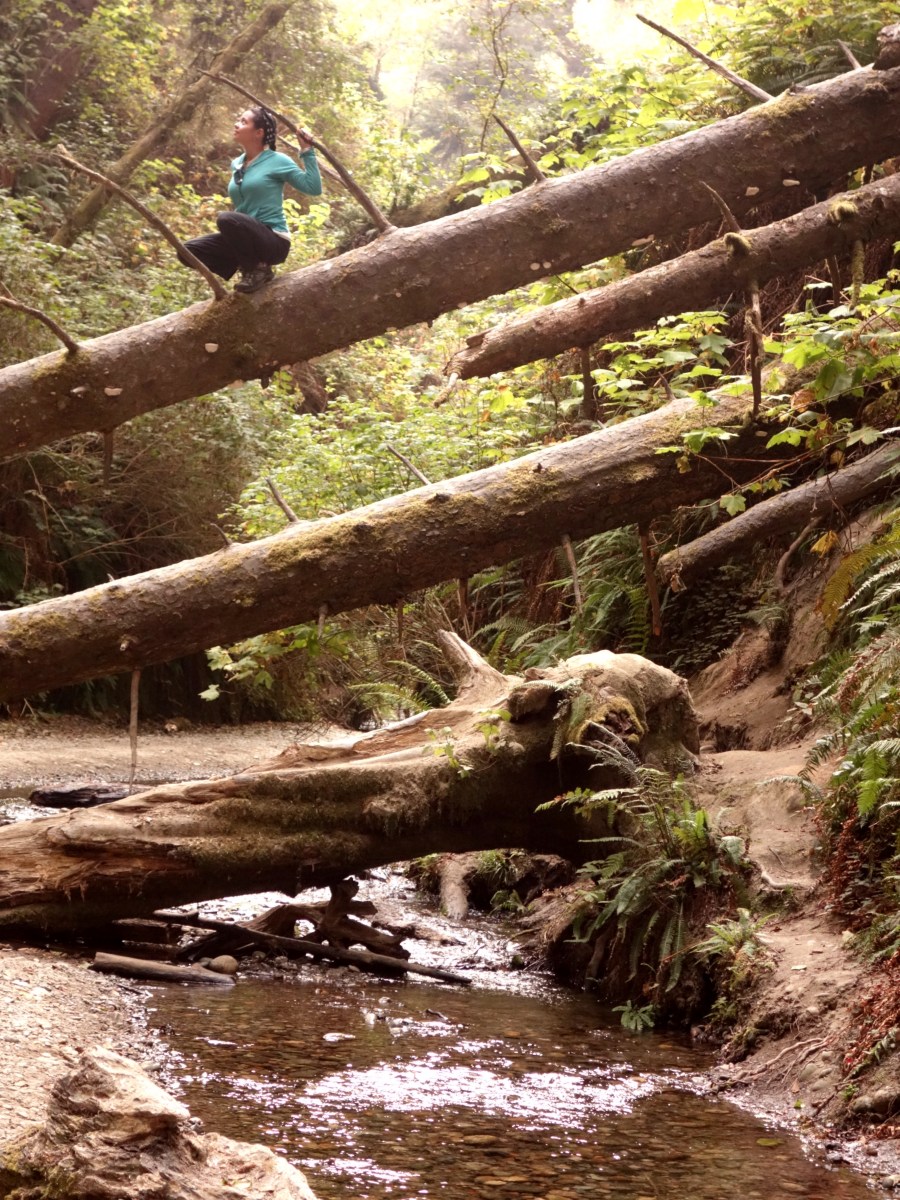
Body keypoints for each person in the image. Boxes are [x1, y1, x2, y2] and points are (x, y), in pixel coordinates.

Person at [183, 105, 322, 294]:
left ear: (258, 133)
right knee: (187, 252)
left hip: (273, 240)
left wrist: (307, 150)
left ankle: (258, 269)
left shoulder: (277, 160)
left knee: (226, 218)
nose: (236, 124)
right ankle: (249, 268)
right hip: (246, 239)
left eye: (243, 121)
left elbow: (313, 187)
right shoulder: (237, 164)